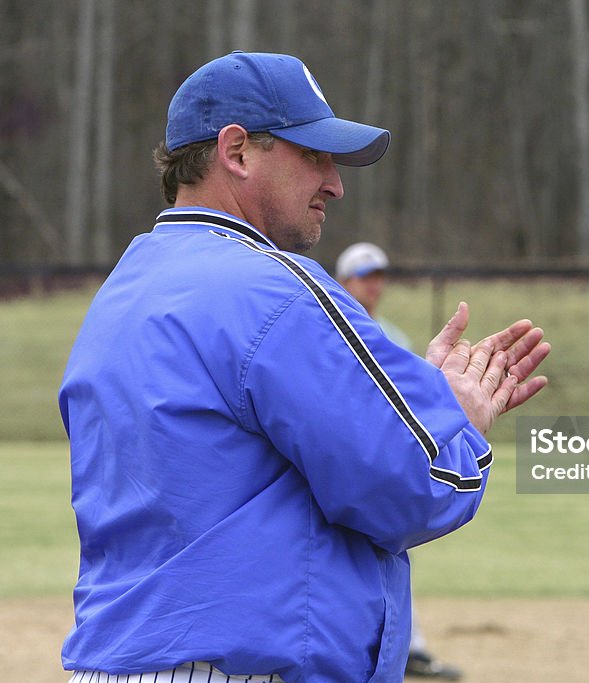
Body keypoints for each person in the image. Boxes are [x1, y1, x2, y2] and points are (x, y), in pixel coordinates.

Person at [60, 51, 549, 683]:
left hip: (116, 662)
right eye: (312, 154)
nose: (335, 183)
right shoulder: (277, 289)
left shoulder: (123, 289)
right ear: (236, 151)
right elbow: (408, 491)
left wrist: (412, 402)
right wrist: (457, 418)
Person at [336, 243, 458, 680]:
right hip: (348, 458)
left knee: (391, 553)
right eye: (366, 275)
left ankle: (411, 648)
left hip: (385, 457)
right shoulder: (327, 323)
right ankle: (402, 649)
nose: (374, 285)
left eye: (379, 276)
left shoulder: (392, 335)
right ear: (346, 280)